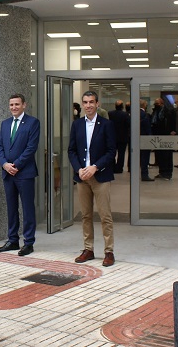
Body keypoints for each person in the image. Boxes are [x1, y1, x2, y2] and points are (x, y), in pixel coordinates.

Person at [68, 90, 117, 267]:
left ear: (97, 104)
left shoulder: (106, 125)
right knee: (86, 215)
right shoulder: (77, 125)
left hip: (100, 176)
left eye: (91, 102)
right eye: (85, 102)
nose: (88, 105)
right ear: (82, 104)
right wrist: (78, 169)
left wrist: (95, 167)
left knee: (105, 216)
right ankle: (88, 249)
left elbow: (111, 151)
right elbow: (71, 150)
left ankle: (109, 251)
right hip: (82, 177)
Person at [0, 93, 40, 256]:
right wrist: (5, 164)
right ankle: (13, 240)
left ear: (24, 105)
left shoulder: (33, 123)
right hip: (8, 173)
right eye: (11, 105)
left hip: (25, 173)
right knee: (11, 208)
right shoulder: (5, 123)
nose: (14, 107)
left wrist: (16, 165)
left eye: (17, 104)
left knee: (27, 209)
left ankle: (28, 242)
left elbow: (31, 147)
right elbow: (0, 147)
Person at [151, 97, 174, 180]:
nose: (156, 105)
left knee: (167, 155)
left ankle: (168, 173)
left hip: (166, 135)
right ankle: (161, 172)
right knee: (160, 155)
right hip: (157, 135)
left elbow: (171, 122)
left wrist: (172, 131)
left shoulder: (168, 112)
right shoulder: (155, 112)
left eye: (157, 103)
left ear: (162, 104)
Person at [108, 100, 129, 174]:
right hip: (123, 137)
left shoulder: (110, 113)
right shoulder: (125, 114)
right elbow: (128, 124)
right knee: (121, 153)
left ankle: (112, 167)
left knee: (112, 153)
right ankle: (119, 168)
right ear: (122, 106)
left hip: (112, 136)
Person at [139, 99, 154, 181]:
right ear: (144, 105)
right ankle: (144, 174)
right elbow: (147, 127)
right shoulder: (145, 115)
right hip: (144, 138)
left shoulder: (134, 113)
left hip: (137, 137)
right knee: (145, 157)